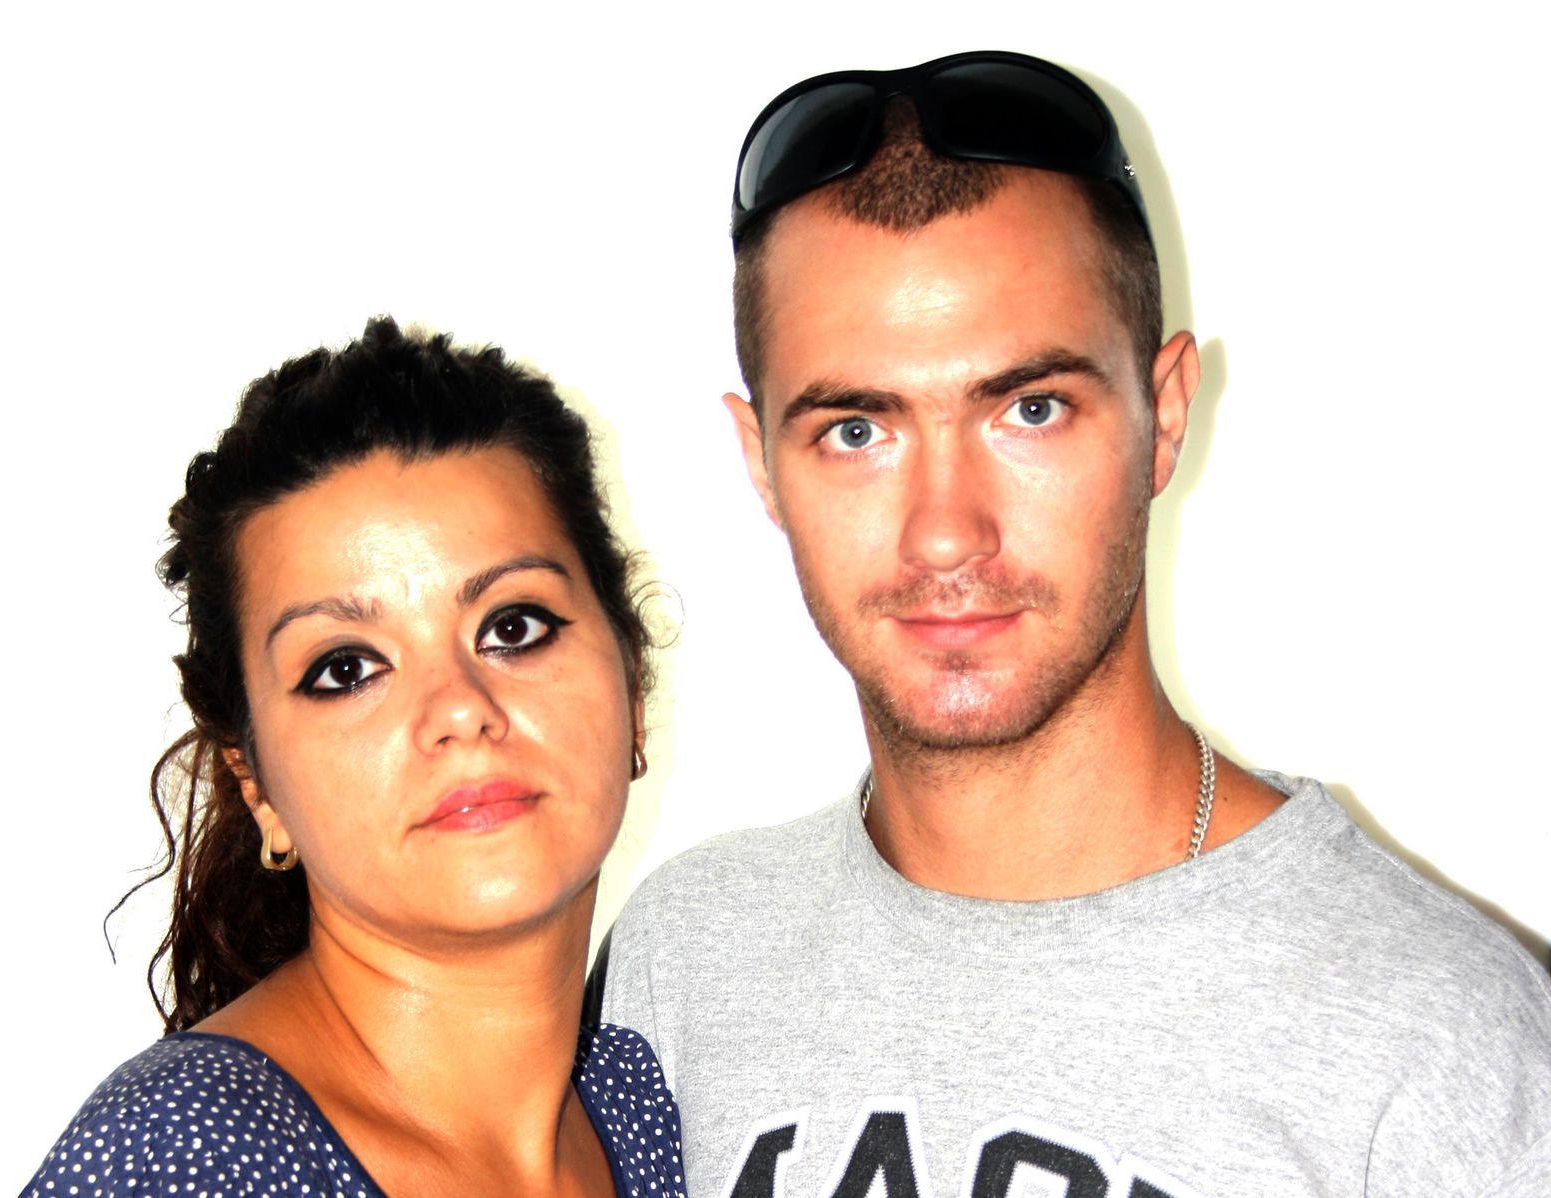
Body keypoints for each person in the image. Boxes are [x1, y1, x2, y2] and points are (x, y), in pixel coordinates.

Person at [600, 51, 1551, 1196]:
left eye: (1030, 408)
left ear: (1164, 414)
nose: (944, 534)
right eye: (856, 430)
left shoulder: (1440, 1041)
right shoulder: (682, 961)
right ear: (761, 463)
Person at [26, 318, 686, 1197]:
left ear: (632, 682)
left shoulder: (653, 1112)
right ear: (256, 785)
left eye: (513, 626)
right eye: (346, 669)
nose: (460, 707)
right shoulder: (183, 1159)